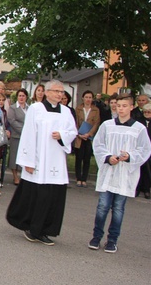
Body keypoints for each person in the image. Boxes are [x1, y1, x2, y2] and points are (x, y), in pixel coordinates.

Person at [6, 79, 78, 246]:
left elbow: (72, 131)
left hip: (56, 161)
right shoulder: (36, 109)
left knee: (53, 196)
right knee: (39, 196)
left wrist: (62, 135)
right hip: (39, 159)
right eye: (56, 91)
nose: (60, 94)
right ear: (47, 92)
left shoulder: (66, 111)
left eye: (62, 92)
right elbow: (29, 134)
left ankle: (47, 229)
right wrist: (27, 161)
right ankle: (32, 228)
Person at [88, 92, 151, 253]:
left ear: (131, 107)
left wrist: (129, 156)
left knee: (118, 209)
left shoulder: (139, 129)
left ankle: (112, 240)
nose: (121, 109)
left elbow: (145, 149)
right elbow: (98, 144)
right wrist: (108, 157)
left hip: (124, 174)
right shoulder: (107, 125)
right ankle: (96, 237)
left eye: (125, 106)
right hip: (109, 171)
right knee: (102, 206)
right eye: (118, 106)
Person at [73, 90, 100, 187]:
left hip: (89, 137)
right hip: (79, 137)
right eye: (86, 97)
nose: (88, 99)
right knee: (78, 158)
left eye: (90, 97)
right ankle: (78, 178)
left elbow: (96, 123)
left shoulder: (96, 110)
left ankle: (84, 178)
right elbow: (74, 122)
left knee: (87, 159)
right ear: (83, 98)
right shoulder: (78, 109)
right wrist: (78, 134)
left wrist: (89, 134)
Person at [135, 102, 151, 199]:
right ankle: (137, 188)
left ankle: (146, 189)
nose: (147, 113)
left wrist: (150, 143)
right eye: (145, 112)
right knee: (139, 169)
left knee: (148, 170)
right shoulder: (138, 121)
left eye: (149, 112)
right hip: (140, 149)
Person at [7, 88, 29, 186]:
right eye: (19, 96)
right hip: (17, 135)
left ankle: (24, 176)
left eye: (23, 96)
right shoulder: (13, 108)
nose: (21, 97)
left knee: (25, 156)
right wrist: (24, 130)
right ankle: (15, 176)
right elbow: (12, 121)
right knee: (14, 156)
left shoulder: (30, 108)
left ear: (26, 97)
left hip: (28, 137)